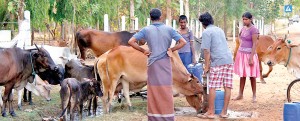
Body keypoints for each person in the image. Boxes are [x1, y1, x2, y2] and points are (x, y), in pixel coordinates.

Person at [128, 8, 186, 121]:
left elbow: (131, 41)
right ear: (161, 17)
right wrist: (172, 49)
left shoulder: (146, 30)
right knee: (166, 90)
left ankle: (154, 117)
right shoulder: (169, 29)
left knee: (154, 91)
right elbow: (183, 42)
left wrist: (143, 50)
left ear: (151, 18)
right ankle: (167, 117)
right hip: (165, 63)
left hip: (153, 64)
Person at [197, 12, 233, 119]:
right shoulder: (219, 29)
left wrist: (207, 66)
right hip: (229, 60)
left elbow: (207, 51)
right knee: (227, 86)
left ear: (203, 24)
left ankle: (211, 112)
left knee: (212, 86)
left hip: (217, 61)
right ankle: (224, 112)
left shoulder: (207, 32)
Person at [233, 12, 260, 103]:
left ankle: (254, 95)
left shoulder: (254, 30)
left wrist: (251, 57)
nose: (244, 21)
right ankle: (240, 94)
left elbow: (255, 44)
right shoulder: (243, 28)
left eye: (246, 19)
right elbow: (239, 37)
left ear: (251, 19)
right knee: (242, 75)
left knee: (252, 76)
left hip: (250, 55)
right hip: (241, 54)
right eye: (243, 19)